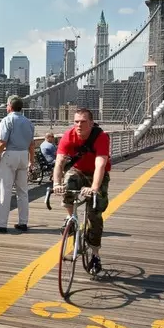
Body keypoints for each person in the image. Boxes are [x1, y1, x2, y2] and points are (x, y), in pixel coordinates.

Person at [53, 108, 111, 274]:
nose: (79, 125)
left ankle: (95, 255)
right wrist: (56, 183)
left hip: (96, 174)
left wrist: (94, 188)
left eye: (83, 122)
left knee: (95, 214)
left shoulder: (101, 137)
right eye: (76, 121)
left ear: (91, 124)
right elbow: (59, 163)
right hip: (78, 170)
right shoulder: (68, 136)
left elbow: (100, 165)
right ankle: (70, 217)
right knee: (67, 183)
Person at [0, 95, 35, 233]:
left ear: (10, 106)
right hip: (23, 155)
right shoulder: (29, 122)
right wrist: (31, 160)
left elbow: (2, 142)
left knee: (5, 190)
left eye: (7, 105)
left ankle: (2, 224)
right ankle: (23, 222)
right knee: (22, 191)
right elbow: (32, 144)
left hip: (10, 155)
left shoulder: (7, 120)